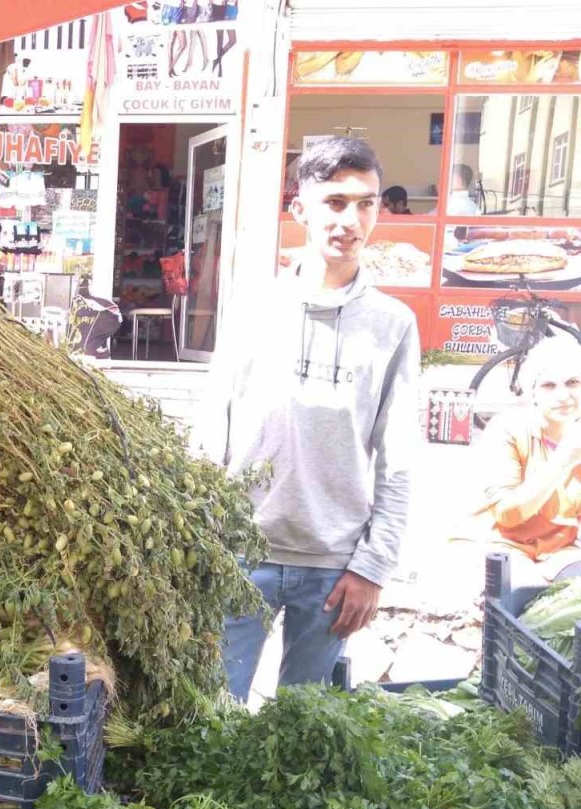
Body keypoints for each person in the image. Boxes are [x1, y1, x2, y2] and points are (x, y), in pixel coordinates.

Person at [194, 136, 420, 700]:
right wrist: (202, 538)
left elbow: (399, 459)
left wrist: (373, 567)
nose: (351, 219)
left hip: (333, 566)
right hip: (241, 554)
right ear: (301, 210)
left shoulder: (393, 324)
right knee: (212, 719)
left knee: (303, 727)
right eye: (335, 202)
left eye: (366, 203)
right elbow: (209, 431)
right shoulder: (253, 308)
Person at [473, 337, 581, 581]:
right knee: (522, 596)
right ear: (533, 393)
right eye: (549, 385)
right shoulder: (508, 428)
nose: (563, 395)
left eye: (573, 382)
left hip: (559, 552)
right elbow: (508, 515)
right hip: (500, 547)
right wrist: (565, 458)